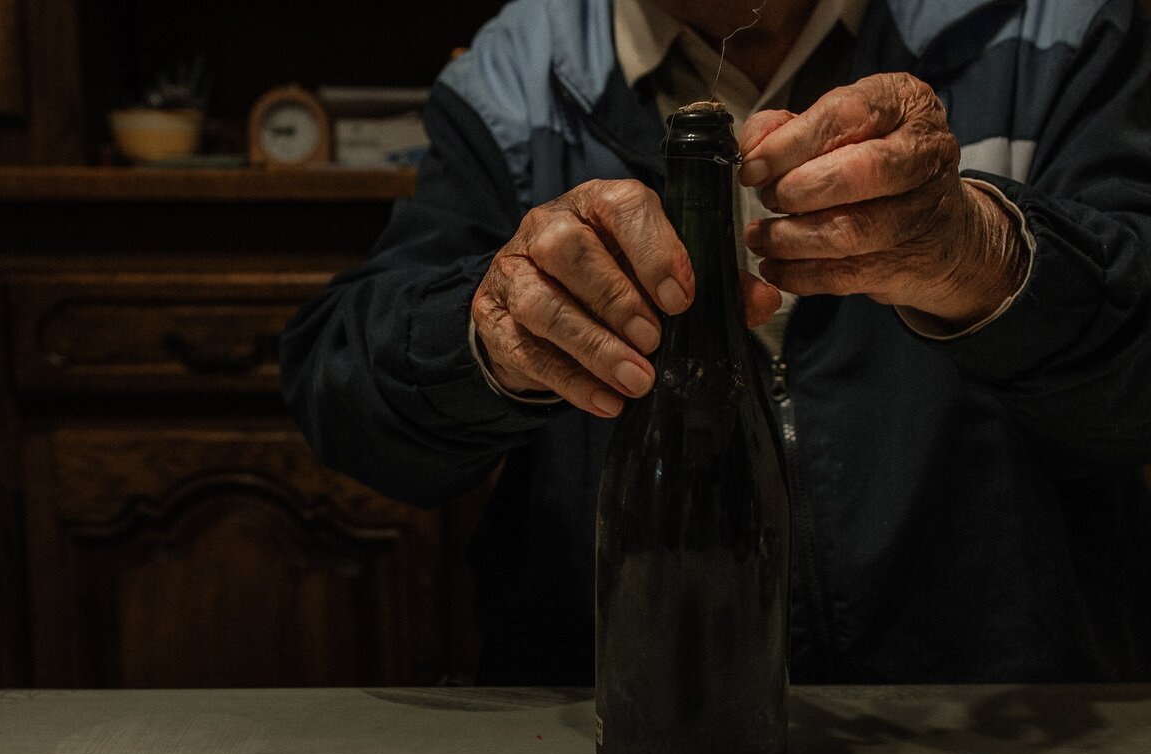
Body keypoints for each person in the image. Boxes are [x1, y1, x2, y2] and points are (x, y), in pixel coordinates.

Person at [281, 0, 1151, 686]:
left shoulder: (1051, 26)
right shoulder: (513, 78)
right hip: (618, 710)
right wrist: (496, 332)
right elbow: (347, 391)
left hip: (995, 715)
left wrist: (991, 257)